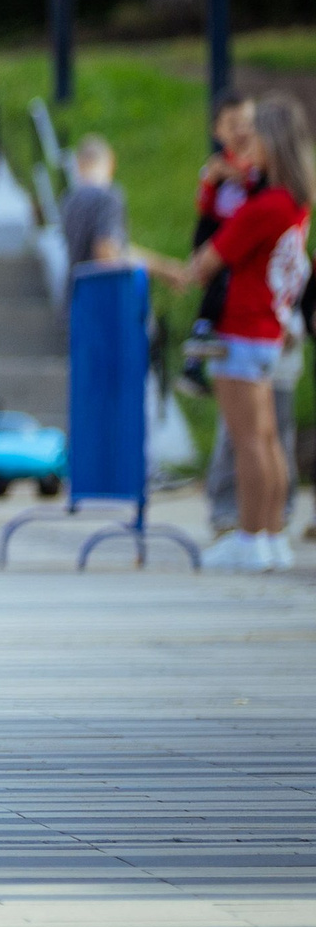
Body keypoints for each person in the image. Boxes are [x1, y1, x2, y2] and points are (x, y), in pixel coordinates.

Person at [149, 95, 311, 572]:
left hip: (241, 329)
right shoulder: (293, 200)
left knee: (248, 442)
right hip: (267, 330)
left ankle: (249, 537)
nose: (246, 143)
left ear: (273, 141)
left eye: (254, 134)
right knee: (266, 440)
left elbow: (204, 263)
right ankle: (271, 537)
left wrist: (148, 261)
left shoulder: (265, 206)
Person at [60, 135, 129, 268]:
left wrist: (162, 267)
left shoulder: (68, 199)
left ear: (79, 164)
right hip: (102, 286)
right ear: (112, 162)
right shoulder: (108, 196)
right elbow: (107, 253)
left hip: (76, 285)